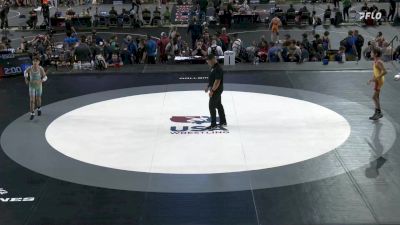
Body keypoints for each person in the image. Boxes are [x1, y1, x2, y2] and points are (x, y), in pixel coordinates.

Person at [205, 54, 227, 130]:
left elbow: (217, 81)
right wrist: (208, 86)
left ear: (213, 59)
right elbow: (212, 78)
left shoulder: (218, 68)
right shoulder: (213, 67)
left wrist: (212, 91)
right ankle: (223, 122)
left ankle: (213, 124)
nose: (208, 63)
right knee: (218, 105)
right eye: (207, 61)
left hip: (217, 89)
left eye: (209, 61)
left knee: (211, 106)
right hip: (215, 89)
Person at [368, 48, 386, 120]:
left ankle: (379, 112)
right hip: (377, 80)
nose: (370, 54)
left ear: (375, 54)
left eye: (371, 52)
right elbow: (376, 72)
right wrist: (372, 79)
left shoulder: (379, 62)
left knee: (374, 97)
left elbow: (385, 71)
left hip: (379, 81)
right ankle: (377, 113)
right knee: (377, 97)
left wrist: (376, 78)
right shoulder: (375, 62)